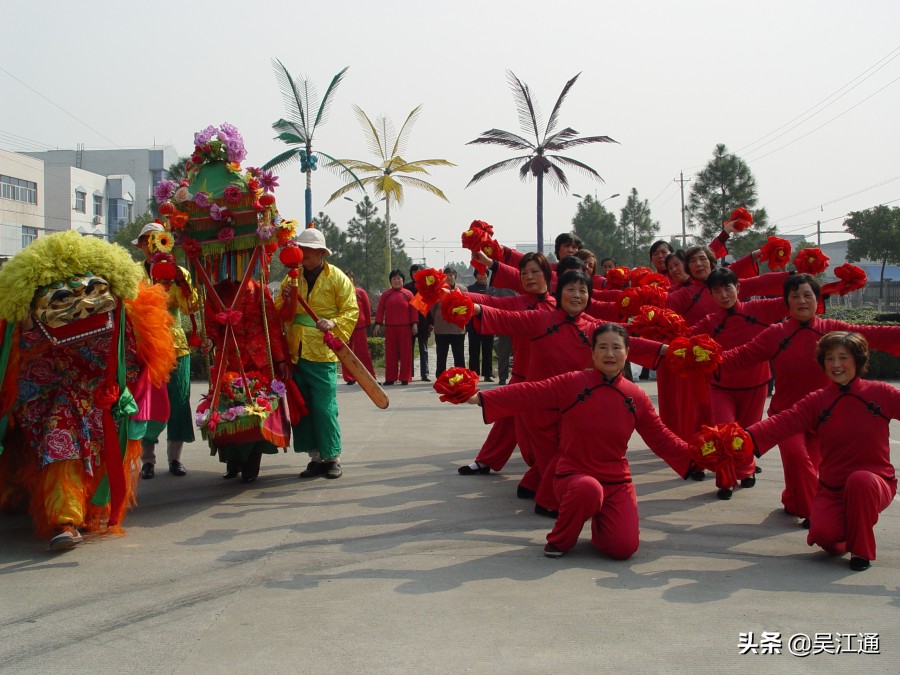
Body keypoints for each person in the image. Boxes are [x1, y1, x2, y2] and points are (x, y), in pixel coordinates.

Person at [0, 231, 176, 550]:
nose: (81, 303)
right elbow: (26, 366)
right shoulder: (37, 330)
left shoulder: (118, 322)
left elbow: (134, 360)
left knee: (103, 457)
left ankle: (86, 511)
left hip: (102, 400)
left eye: (91, 291)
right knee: (60, 445)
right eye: (65, 297)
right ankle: (64, 522)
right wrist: (26, 328)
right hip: (59, 401)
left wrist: (115, 390)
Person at [466, 324, 695, 559]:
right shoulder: (573, 383)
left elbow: (661, 438)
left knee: (623, 548)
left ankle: (603, 523)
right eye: (602, 347)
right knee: (588, 489)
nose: (609, 354)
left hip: (616, 481)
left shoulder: (636, 396)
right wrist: (479, 398)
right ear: (592, 352)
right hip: (573, 476)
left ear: (627, 353)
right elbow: (530, 392)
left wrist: (701, 456)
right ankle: (561, 538)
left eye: (616, 348)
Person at [472, 270, 665, 516]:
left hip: (574, 407)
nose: (576, 295)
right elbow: (505, 317)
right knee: (560, 457)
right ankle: (547, 501)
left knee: (567, 453)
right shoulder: (539, 319)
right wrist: (472, 307)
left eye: (582, 290)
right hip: (541, 405)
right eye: (570, 289)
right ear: (558, 292)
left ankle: (532, 483)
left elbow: (628, 340)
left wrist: (665, 347)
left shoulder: (594, 329)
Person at [720, 274, 900, 522]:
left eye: (808, 295)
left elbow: (874, 334)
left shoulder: (833, 333)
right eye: (795, 297)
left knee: (814, 469)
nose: (802, 301)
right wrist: (703, 358)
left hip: (825, 417)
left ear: (817, 300)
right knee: (797, 458)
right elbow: (741, 356)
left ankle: (796, 502)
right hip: (787, 417)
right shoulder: (776, 334)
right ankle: (814, 512)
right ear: (787, 302)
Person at [746, 332, 900, 572]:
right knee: (825, 535)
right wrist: (742, 439)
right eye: (829, 358)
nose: (836, 365)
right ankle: (853, 526)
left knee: (860, 481)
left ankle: (862, 552)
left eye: (843, 357)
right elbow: (785, 421)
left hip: (875, 482)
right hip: (832, 489)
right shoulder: (818, 400)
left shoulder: (882, 393)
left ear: (858, 361)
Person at [688, 268, 789, 499]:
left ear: (738, 288)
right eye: (717, 291)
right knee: (723, 432)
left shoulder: (759, 309)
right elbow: (682, 340)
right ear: (710, 295)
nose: (724, 295)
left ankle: (747, 470)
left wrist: (825, 285)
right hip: (720, 386)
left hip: (755, 384)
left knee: (745, 434)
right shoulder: (708, 322)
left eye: (728, 288)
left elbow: (796, 299)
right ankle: (725, 480)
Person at [277, 226, 358, 480]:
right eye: (302, 250)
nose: (305, 255)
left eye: (311, 251)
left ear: (322, 252)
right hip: (296, 350)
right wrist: (287, 299)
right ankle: (315, 457)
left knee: (325, 407)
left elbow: (351, 310)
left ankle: (332, 456)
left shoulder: (337, 278)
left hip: (322, 351)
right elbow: (279, 312)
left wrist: (333, 323)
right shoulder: (291, 278)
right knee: (302, 407)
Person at [202, 278, 293, 483]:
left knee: (256, 411)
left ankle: (252, 461)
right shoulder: (215, 291)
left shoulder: (260, 289)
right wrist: (209, 340)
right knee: (227, 409)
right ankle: (231, 460)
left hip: (258, 359)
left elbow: (272, 325)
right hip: (229, 357)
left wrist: (280, 359)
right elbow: (211, 326)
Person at [134, 221, 199, 479]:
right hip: (146, 347)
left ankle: (175, 458)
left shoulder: (178, 271)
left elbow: (190, 307)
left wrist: (182, 282)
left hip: (176, 346)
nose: (151, 245)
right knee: (147, 403)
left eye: (156, 239)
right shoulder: (134, 274)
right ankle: (147, 459)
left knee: (179, 400)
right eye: (146, 241)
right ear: (140, 246)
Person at [374, 269, 417, 386]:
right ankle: (390, 377)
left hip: (405, 327)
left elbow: (414, 310)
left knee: (405, 353)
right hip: (390, 328)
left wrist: (415, 324)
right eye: (394, 279)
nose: (396, 281)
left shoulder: (408, 294)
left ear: (403, 280)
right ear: (390, 281)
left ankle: (405, 377)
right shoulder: (386, 294)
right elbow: (380, 309)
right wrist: (378, 324)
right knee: (391, 353)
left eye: (399, 278)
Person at [430, 267, 467, 377]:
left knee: (459, 355)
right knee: (441, 354)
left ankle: (461, 376)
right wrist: (438, 318)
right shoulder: (438, 290)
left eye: (451, 275)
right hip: (442, 328)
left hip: (458, 328)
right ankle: (440, 376)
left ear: (455, 276)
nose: (449, 277)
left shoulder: (462, 289)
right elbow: (433, 308)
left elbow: (467, 307)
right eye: (446, 275)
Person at [342, 272, 376, 386]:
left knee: (363, 352)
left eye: (350, 278)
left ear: (353, 280)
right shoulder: (340, 293)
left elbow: (367, 309)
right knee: (347, 352)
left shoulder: (360, 292)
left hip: (359, 325)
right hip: (345, 326)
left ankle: (370, 376)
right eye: (346, 278)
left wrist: (368, 323)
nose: (348, 280)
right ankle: (350, 377)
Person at [404, 264, 434, 381]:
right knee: (409, 349)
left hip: (424, 322)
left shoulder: (428, 287)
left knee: (424, 348)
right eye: (414, 271)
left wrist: (431, 323)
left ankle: (424, 374)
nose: (417, 273)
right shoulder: (406, 288)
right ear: (411, 273)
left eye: (419, 271)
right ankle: (409, 374)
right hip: (409, 322)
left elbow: (431, 306)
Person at [465, 269, 495, 382]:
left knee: (488, 350)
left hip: (488, 323)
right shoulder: (470, 289)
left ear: (487, 275)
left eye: (484, 274)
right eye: (479, 274)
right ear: (475, 276)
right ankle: (473, 375)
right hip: (473, 324)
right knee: (474, 351)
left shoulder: (492, 289)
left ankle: (488, 374)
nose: (482, 276)